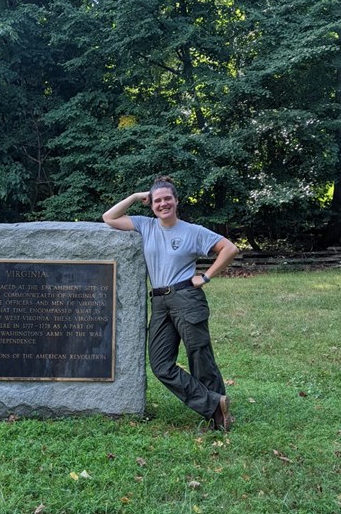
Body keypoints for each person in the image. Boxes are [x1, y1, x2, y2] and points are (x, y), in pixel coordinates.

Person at [102, 176, 239, 430]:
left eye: (168, 198)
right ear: (151, 204)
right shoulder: (146, 226)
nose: (163, 204)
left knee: (199, 355)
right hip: (160, 303)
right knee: (160, 365)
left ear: (176, 201)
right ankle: (214, 403)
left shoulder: (192, 231)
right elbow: (109, 218)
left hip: (186, 297)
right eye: (157, 200)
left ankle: (218, 418)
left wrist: (205, 277)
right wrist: (134, 197)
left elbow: (229, 248)